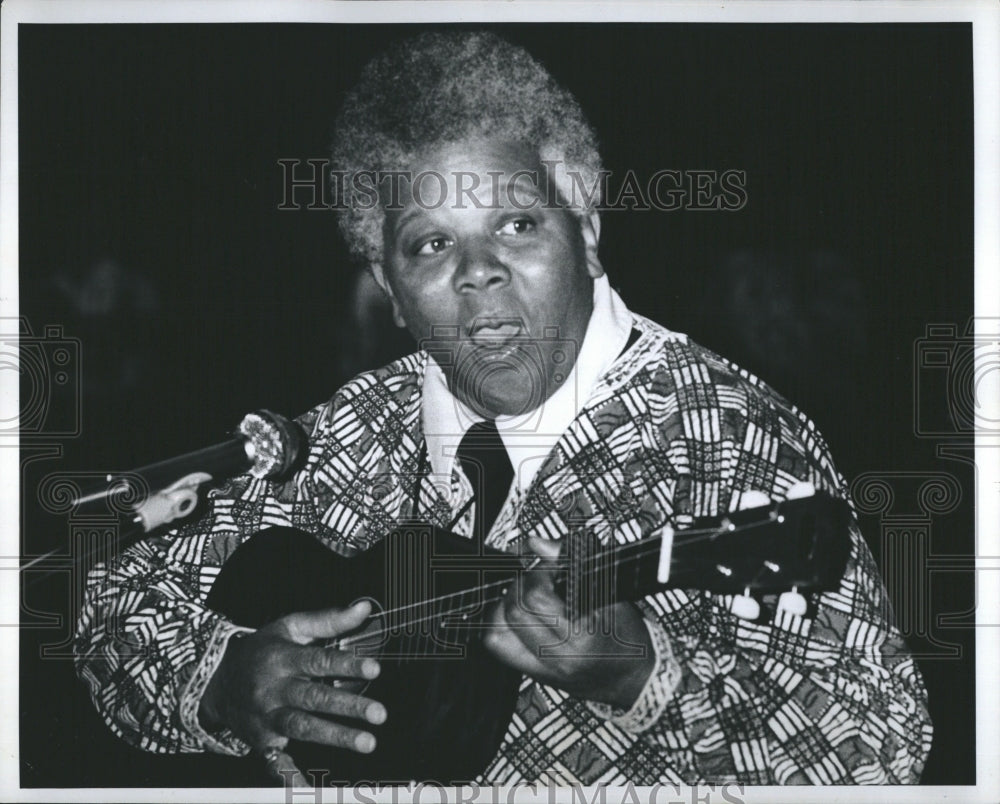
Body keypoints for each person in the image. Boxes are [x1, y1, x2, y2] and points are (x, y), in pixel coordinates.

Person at [74, 30, 932, 786]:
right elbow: (113, 604)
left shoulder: (728, 437)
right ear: (390, 287)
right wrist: (226, 682)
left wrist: (644, 675)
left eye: (518, 224)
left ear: (587, 230)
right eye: (432, 243)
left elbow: (882, 750)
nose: (477, 271)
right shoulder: (345, 434)